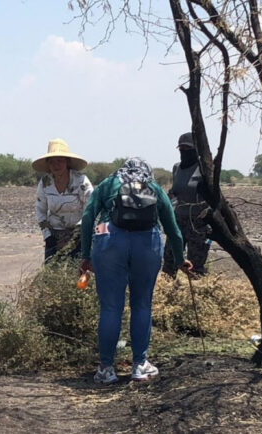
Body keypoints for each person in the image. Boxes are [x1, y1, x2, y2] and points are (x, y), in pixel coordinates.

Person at [80, 158, 192, 384]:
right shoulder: (155, 188)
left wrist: (85, 255)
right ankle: (140, 365)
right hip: (147, 244)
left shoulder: (109, 183)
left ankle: (106, 369)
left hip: (109, 239)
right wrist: (181, 259)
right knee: (142, 304)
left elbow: (88, 217)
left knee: (111, 307)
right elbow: (172, 228)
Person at [32, 139, 93, 260]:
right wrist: (47, 236)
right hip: (54, 237)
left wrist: (80, 231)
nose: (56, 165)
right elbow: (40, 210)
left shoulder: (81, 181)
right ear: (48, 165)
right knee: (51, 273)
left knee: (79, 273)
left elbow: (90, 207)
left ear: (67, 162)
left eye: (60, 161)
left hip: (79, 236)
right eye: (52, 162)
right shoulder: (45, 183)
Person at [163, 132, 211, 276]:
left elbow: (212, 194)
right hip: (178, 219)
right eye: (181, 149)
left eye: (187, 149)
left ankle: (195, 291)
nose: (184, 152)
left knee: (196, 263)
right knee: (169, 259)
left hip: (198, 221)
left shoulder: (204, 168)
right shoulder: (177, 168)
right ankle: (167, 291)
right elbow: (176, 190)